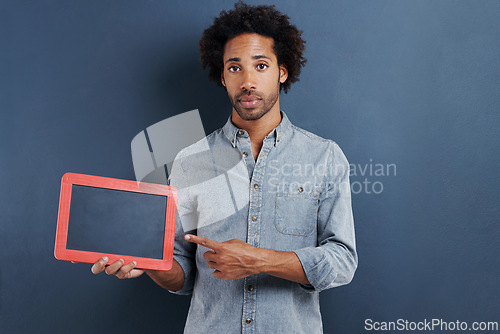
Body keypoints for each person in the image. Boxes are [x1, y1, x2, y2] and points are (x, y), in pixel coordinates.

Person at [91, 2, 357, 332]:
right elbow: (181, 273)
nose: (247, 81)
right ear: (222, 76)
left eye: (261, 65)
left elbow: (343, 260)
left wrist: (259, 259)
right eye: (235, 68)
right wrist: (146, 262)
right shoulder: (190, 161)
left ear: (282, 71)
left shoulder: (324, 157)